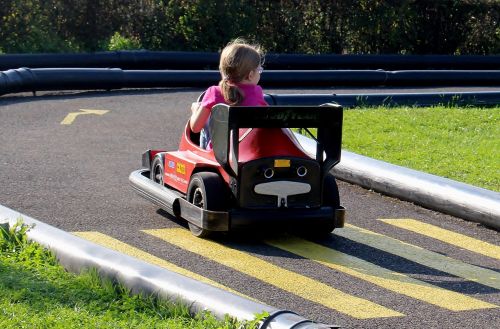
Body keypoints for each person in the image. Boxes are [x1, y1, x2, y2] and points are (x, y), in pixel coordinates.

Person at [190, 38, 267, 149]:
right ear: (250, 75)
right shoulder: (256, 92)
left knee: (205, 125)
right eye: (259, 70)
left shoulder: (213, 92)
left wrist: (195, 110)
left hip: (219, 155)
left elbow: (195, 127)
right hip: (248, 151)